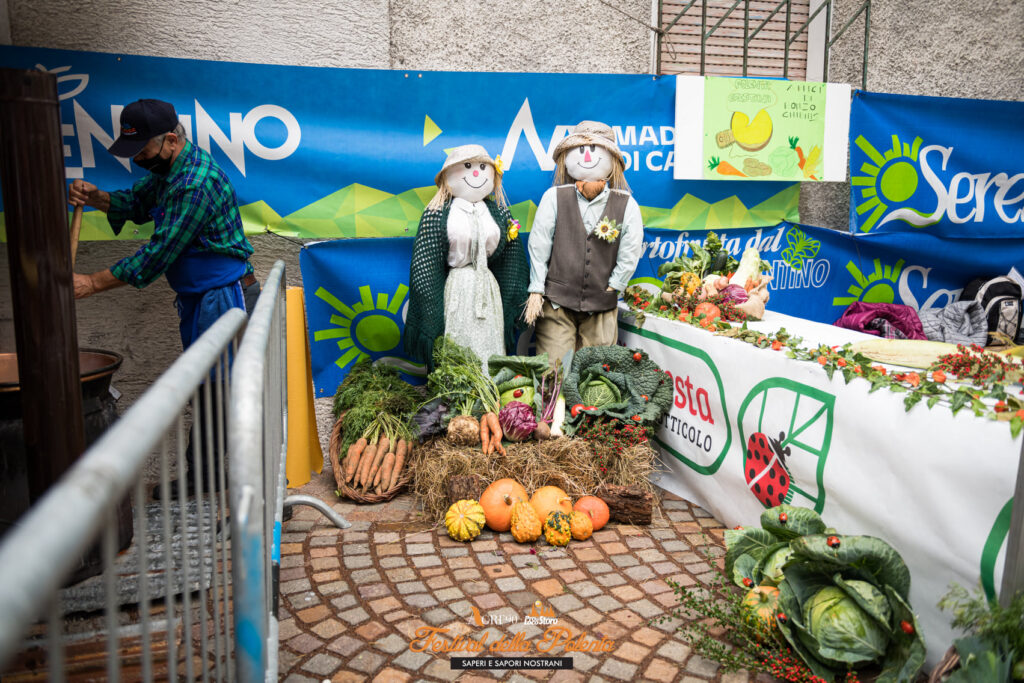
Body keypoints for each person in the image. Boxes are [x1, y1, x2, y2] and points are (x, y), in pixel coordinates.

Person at [68, 98, 259, 496]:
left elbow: (156, 256)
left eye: (142, 151)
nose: (138, 158)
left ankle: (255, 493)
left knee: (227, 395)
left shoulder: (194, 183)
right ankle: (202, 477)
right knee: (206, 393)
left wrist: (91, 282)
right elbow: (137, 204)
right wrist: (98, 197)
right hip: (201, 300)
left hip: (226, 300)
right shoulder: (170, 169)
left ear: (171, 140)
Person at [524, 121, 644, 365]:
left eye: (596, 150)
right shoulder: (554, 198)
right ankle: (555, 404)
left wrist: (615, 285)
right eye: (580, 150)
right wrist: (537, 288)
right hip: (557, 301)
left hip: (601, 304)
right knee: (553, 368)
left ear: (611, 161)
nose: (588, 156)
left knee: (597, 372)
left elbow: (630, 249)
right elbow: (539, 244)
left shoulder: (626, 203)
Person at [404, 144, 529, 370]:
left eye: (482, 167)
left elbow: (513, 259)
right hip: (458, 286)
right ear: (448, 177)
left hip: (489, 288)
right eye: (468, 166)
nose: (475, 173)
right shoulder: (438, 212)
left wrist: (517, 294)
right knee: (458, 337)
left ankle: (489, 387)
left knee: (490, 339)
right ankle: (457, 388)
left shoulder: (499, 212)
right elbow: (425, 266)